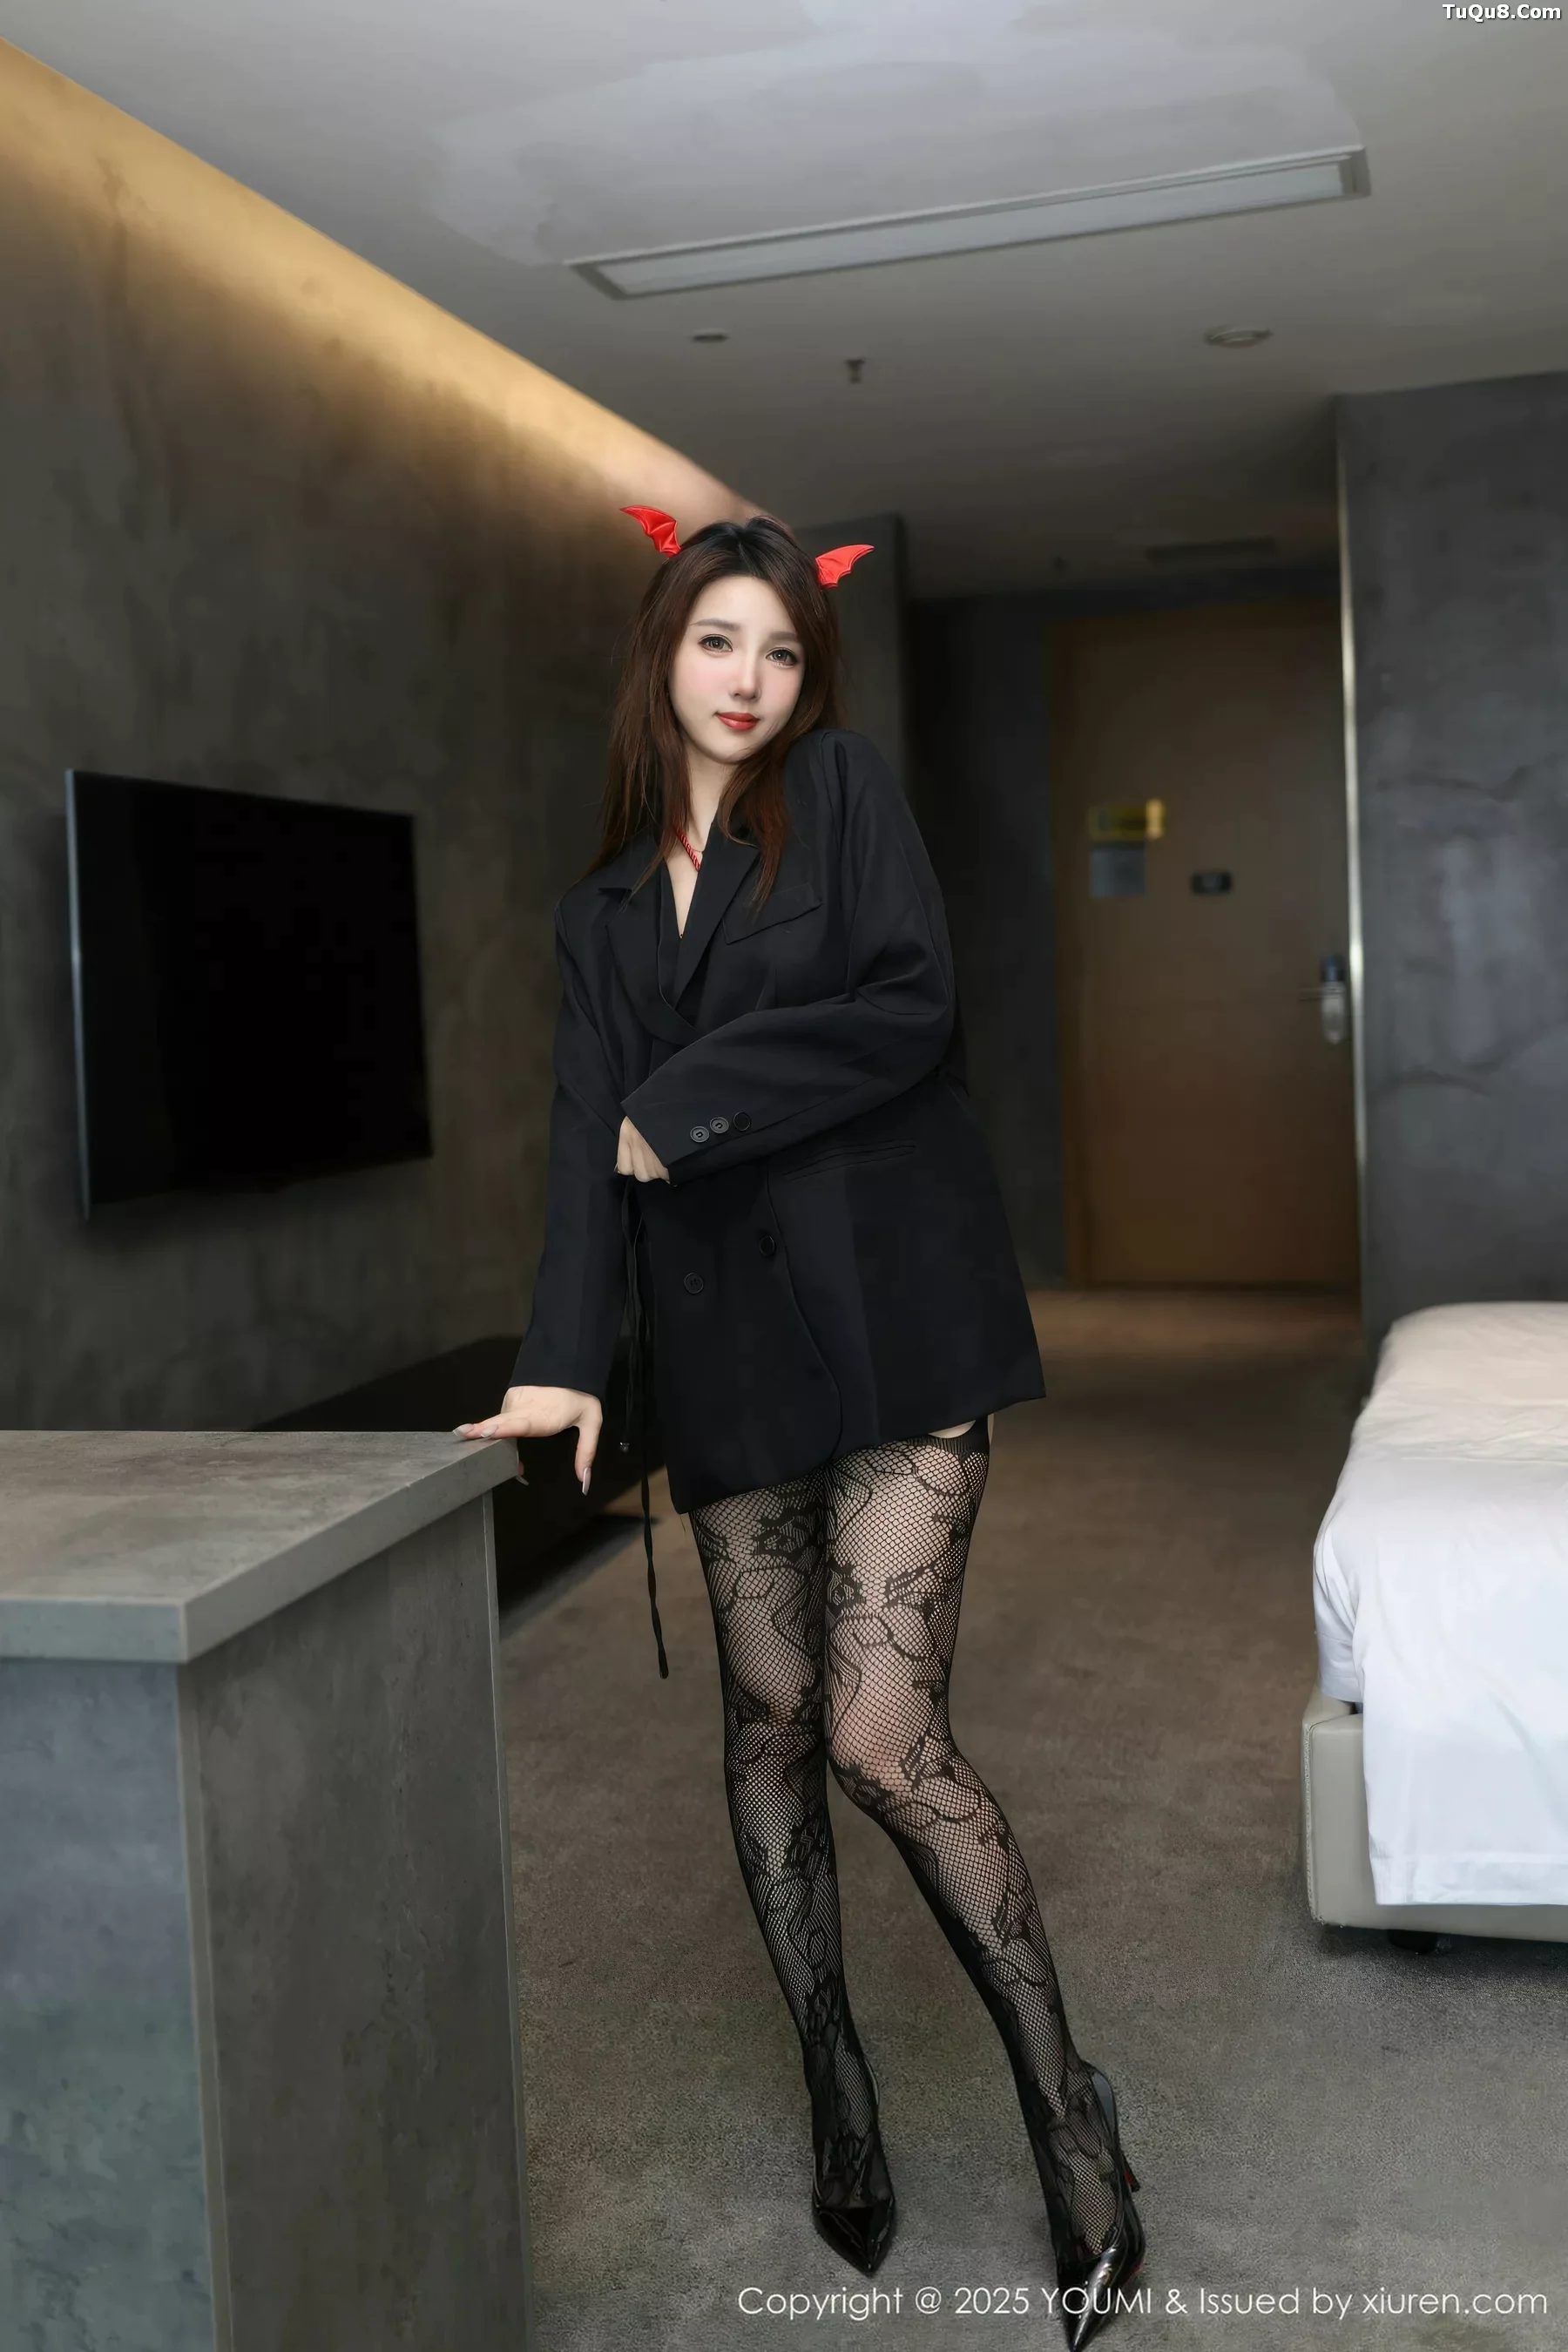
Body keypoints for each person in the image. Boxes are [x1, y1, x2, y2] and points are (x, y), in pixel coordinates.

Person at [457, 508, 1145, 2348]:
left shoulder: (840, 796)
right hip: (726, 1343)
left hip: (898, 1307)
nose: (750, 680)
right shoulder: (600, 913)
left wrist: (685, 1100)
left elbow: (907, 1008)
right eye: (718, 644)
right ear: (662, 658)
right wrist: (566, 1357)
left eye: (779, 649)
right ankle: (835, 2072)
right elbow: (578, 1143)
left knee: (875, 1734)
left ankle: (1070, 2115)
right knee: (766, 1720)